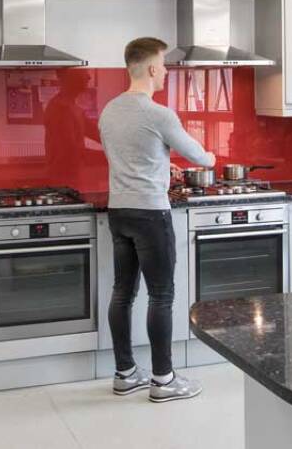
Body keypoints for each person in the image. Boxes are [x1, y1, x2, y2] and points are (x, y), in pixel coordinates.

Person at [98, 37, 216, 402]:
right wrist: (209, 156)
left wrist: (162, 162)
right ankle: (164, 380)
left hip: (119, 210)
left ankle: (125, 373)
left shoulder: (109, 111)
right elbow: (202, 157)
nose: (165, 71)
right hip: (151, 212)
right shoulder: (159, 113)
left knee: (123, 292)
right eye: (163, 65)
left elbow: (128, 155)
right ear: (151, 68)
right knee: (161, 296)